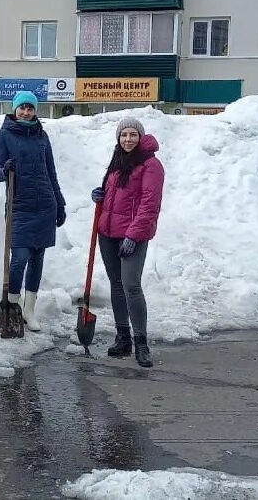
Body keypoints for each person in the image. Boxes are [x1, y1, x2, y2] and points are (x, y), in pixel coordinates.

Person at [91, 117, 164, 368]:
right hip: (107, 232)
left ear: (140, 137)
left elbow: (149, 204)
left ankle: (141, 342)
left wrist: (134, 235)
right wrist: (99, 194)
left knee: (131, 285)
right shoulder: (117, 161)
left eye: (133, 134)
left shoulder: (150, 165)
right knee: (116, 285)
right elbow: (114, 195)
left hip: (133, 234)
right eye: (124, 135)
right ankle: (122, 337)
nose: (128, 139)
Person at [0, 90, 66, 331]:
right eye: (22, 107)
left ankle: (29, 310)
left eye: (30, 108)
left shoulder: (42, 136)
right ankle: (12, 306)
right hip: (19, 205)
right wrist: (5, 170)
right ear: (14, 109)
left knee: (37, 258)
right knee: (19, 258)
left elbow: (51, 172)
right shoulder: (3, 135)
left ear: (35, 111)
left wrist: (60, 202)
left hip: (44, 204)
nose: (26, 111)